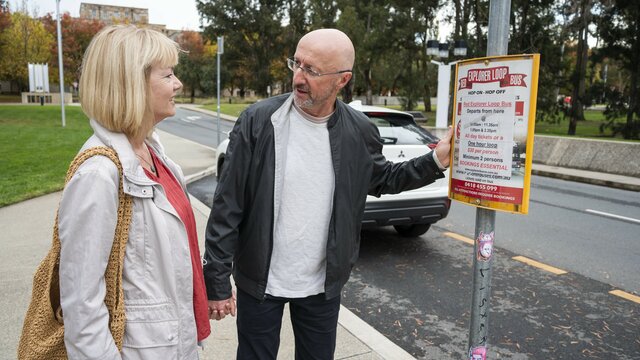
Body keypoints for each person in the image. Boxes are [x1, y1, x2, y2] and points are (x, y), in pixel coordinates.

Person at [203, 28, 452, 359]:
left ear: (343, 80)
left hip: (322, 285)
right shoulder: (258, 121)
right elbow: (227, 205)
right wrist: (217, 280)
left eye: (312, 70)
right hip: (259, 280)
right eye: (297, 63)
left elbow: (383, 179)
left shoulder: (359, 131)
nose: (298, 78)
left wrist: (436, 160)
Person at [58, 25, 210, 359]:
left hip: (175, 345)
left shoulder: (155, 154)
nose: (178, 84)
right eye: (168, 75)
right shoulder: (99, 174)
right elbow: (81, 305)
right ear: (132, 83)